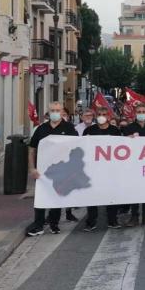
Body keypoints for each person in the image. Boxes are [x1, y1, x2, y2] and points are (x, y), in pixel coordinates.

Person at [26, 101, 78, 236]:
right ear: (48, 113)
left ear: (62, 112)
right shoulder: (41, 129)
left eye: (58, 110)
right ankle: (38, 224)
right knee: (40, 197)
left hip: (61, 169)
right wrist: (31, 168)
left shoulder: (69, 128)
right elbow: (32, 149)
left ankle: (54, 224)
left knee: (56, 196)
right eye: (52, 110)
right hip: (42, 170)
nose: (55, 113)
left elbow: (77, 148)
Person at [81, 107, 123, 231]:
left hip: (110, 169)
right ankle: (91, 221)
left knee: (111, 194)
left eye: (104, 114)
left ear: (109, 117)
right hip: (93, 169)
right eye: (99, 114)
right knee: (92, 195)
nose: (101, 116)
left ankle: (112, 220)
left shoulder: (115, 131)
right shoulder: (89, 130)